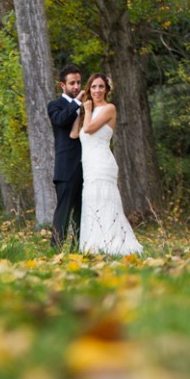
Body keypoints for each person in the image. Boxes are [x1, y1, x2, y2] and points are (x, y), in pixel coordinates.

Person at [70, 73, 142, 256]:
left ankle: (112, 243)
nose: (97, 91)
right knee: (91, 202)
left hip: (102, 163)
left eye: (101, 86)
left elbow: (89, 129)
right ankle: (93, 246)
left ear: (107, 89)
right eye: (93, 87)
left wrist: (86, 109)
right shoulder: (87, 112)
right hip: (89, 164)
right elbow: (75, 135)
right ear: (89, 89)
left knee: (104, 200)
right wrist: (78, 108)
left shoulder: (109, 108)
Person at [47, 65, 85, 250]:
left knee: (82, 213)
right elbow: (61, 120)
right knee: (63, 212)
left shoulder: (86, 106)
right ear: (63, 85)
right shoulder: (55, 105)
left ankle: (77, 249)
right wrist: (77, 102)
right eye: (72, 83)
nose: (76, 86)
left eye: (78, 82)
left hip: (87, 166)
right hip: (66, 168)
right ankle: (55, 250)